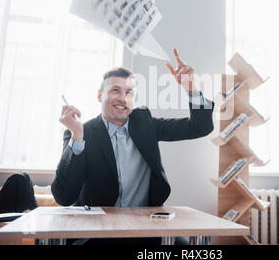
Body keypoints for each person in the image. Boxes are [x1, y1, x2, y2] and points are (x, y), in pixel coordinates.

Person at [51, 48, 214, 245]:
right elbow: (64, 197)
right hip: (98, 232)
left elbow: (199, 127)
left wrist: (191, 89)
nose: (123, 98)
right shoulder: (80, 133)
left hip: (145, 228)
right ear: (99, 95)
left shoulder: (145, 123)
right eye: (115, 90)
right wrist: (77, 137)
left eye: (129, 92)